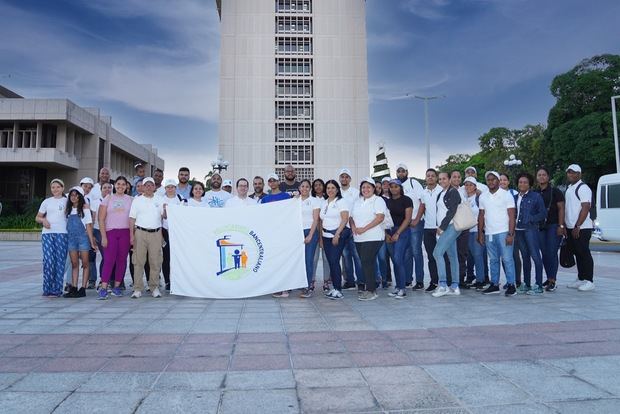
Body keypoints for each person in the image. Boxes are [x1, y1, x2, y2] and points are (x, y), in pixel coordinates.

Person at [478, 171, 518, 296]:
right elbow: (481, 215)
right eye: (488, 180)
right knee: (493, 260)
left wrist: (511, 234)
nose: (491, 181)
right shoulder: (483, 196)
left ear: (498, 181)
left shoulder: (506, 195)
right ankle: (494, 284)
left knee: (507, 259)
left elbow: (512, 216)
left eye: (493, 179)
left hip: (504, 232)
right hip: (489, 233)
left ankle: (511, 285)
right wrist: (480, 233)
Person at [350, 177, 387, 301]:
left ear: (373, 188)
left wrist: (364, 229)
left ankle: (371, 290)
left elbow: (380, 217)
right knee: (367, 263)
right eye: (363, 187)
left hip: (374, 236)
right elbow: (351, 217)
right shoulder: (357, 201)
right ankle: (370, 287)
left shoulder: (378, 200)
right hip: (359, 238)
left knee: (366, 261)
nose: (366, 189)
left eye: (368, 187)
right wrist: (354, 227)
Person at [98, 176, 133, 299]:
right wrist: (103, 236)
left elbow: (133, 219)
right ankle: (103, 288)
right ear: (115, 185)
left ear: (126, 186)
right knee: (109, 260)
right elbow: (101, 219)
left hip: (125, 233)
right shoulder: (108, 198)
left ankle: (117, 287)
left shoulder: (131, 200)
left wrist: (132, 236)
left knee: (122, 260)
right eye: (118, 184)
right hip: (110, 232)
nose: (120, 186)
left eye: (123, 184)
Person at [128, 177, 164, 298]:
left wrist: (167, 210)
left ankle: (154, 287)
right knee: (138, 261)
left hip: (156, 233)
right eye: (146, 185)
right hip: (140, 232)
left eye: (151, 185)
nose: (149, 187)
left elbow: (164, 216)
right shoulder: (137, 200)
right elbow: (132, 218)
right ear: (143, 187)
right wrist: (131, 235)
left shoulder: (160, 199)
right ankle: (137, 288)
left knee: (155, 261)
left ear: (154, 187)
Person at [563, 164, 595, 291]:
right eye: (569, 172)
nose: (571, 174)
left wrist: (578, 225)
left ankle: (589, 280)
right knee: (577, 253)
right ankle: (581, 278)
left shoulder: (583, 188)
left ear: (579, 174)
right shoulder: (570, 188)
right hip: (571, 227)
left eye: (574, 172)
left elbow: (586, 207)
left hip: (582, 227)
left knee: (584, 253)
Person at [514, 172, 546, 295]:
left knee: (535, 256)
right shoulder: (515, 197)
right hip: (519, 231)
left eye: (525, 182)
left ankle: (538, 284)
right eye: (520, 182)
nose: (522, 184)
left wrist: (531, 219)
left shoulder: (536, 197)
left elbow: (543, 214)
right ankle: (526, 284)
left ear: (530, 184)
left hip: (531, 230)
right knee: (525, 257)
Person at [431, 172, 462, 298]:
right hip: (447, 227)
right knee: (452, 256)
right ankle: (455, 286)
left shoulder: (453, 192)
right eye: (440, 179)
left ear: (449, 179)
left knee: (437, 253)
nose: (442, 181)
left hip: (451, 226)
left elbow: (452, 211)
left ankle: (443, 285)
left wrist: (441, 227)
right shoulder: (441, 193)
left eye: (444, 178)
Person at [36, 179, 68, 297]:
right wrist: (43, 220)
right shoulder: (46, 202)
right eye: (53, 187)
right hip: (47, 234)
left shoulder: (67, 201)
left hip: (62, 234)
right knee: (49, 261)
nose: (55, 189)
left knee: (60, 261)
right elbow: (38, 217)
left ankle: (57, 289)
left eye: (58, 187)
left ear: (62, 188)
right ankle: (47, 288)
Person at [63, 187, 97, 298]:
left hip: (83, 239)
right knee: (74, 264)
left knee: (86, 264)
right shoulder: (67, 210)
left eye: (76, 195)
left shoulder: (84, 209)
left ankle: (82, 288)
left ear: (80, 197)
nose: (74, 197)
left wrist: (92, 242)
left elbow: (88, 226)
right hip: (71, 239)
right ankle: (73, 287)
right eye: (71, 195)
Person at [535, 167, 565, 292]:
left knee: (552, 253)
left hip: (553, 226)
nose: (542, 177)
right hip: (541, 227)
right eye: (539, 175)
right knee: (545, 254)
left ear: (548, 177)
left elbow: (561, 209)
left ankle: (553, 280)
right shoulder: (535, 192)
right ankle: (548, 278)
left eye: (544, 174)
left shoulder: (555, 191)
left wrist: (561, 226)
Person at [396, 164, 426, 289]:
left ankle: (419, 281)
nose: (401, 173)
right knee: (406, 252)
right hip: (404, 224)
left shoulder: (414, 183)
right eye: (399, 171)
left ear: (407, 172)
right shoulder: (397, 186)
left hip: (415, 223)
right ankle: (408, 280)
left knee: (416, 251)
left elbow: (422, 202)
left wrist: (417, 219)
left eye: (403, 171)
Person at [321, 180, 351, 299]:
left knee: (334, 261)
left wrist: (337, 234)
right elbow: (322, 220)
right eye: (328, 188)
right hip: (326, 236)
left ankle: (338, 289)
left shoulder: (341, 202)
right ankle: (334, 287)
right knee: (331, 262)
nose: (330, 190)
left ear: (337, 189)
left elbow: (344, 219)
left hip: (337, 236)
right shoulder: (324, 203)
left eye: (333, 188)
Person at [385, 179, 413, 299]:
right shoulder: (387, 202)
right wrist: (387, 234)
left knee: (398, 258)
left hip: (403, 231)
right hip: (390, 231)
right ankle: (398, 287)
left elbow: (408, 219)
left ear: (400, 188)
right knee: (395, 260)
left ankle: (402, 288)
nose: (394, 188)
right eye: (391, 186)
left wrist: (397, 233)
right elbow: (384, 219)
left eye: (396, 186)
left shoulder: (407, 200)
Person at [338, 168, 363, 290]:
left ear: (350, 179)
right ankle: (349, 281)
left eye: (346, 176)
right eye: (342, 176)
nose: (344, 179)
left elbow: (358, 209)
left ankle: (361, 281)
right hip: (342, 228)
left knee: (357, 255)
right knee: (346, 255)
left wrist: (354, 226)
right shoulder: (336, 192)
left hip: (353, 227)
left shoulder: (356, 192)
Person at [298, 179, 321, 298]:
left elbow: (316, 220)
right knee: (298, 261)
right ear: (299, 188)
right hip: (297, 233)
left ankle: (307, 287)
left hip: (310, 232)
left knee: (308, 260)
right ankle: (298, 283)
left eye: (307, 187)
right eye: (302, 186)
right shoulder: (295, 201)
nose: (305, 189)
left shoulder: (314, 201)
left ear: (310, 188)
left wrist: (310, 235)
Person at [421, 168, 443, 292]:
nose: (430, 177)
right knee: (431, 256)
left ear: (436, 178)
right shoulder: (423, 193)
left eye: (432, 176)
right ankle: (434, 281)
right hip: (427, 228)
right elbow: (422, 209)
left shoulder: (441, 190)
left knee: (443, 255)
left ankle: (446, 281)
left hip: (440, 229)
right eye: (428, 175)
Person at [463, 177, 485, 290]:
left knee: (478, 256)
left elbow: (483, 214)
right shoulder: (464, 198)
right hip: (467, 232)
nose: (468, 187)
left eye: (471, 185)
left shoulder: (479, 198)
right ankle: (474, 278)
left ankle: (481, 280)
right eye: (466, 185)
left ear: (475, 186)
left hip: (476, 231)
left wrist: (481, 232)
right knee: (470, 257)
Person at [500, 172, 522, 286]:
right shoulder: (495, 195)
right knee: (504, 256)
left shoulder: (514, 193)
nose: (502, 182)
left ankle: (517, 280)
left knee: (514, 255)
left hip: (512, 229)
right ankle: (509, 280)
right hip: (500, 229)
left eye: (504, 180)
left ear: (508, 182)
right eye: (500, 180)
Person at [161, 179, 182, 291]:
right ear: (165, 189)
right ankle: (167, 281)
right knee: (166, 257)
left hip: (177, 232)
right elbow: (161, 217)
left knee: (177, 257)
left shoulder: (180, 199)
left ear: (175, 188)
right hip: (165, 231)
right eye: (168, 187)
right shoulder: (161, 200)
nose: (170, 189)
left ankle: (177, 279)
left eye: (172, 187)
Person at [450, 170, 469, 289]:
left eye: (458, 177)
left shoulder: (464, 190)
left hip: (463, 226)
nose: (456, 179)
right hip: (451, 226)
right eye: (454, 177)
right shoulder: (447, 191)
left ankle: (461, 279)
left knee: (462, 254)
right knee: (451, 254)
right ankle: (452, 279)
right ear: (450, 178)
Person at [312, 178, 331, 292]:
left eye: (320, 185)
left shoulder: (328, 200)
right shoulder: (311, 200)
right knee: (313, 259)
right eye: (316, 185)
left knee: (326, 258)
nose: (318, 187)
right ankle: (312, 281)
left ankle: (326, 281)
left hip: (326, 232)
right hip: (314, 232)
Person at [92, 182, 112, 288]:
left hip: (110, 230)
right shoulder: (96, 202)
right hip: (98, 231)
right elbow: (92, 218)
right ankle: (103, 280)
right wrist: (91, 236)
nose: (107, 189)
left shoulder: (114, 200)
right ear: (100, 189)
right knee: (106, 256)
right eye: (104, 188)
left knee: (110, 256)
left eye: (109, 187)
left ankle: (109, 279)